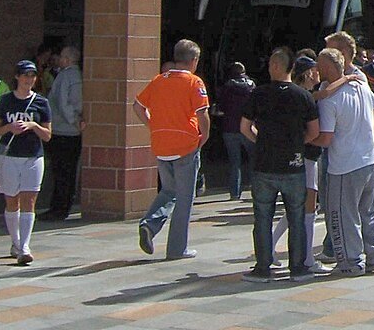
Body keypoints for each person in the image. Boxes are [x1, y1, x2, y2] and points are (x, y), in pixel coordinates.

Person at [239, 48, 320, 283]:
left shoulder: (258, 94)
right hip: (293, 165)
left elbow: (244, 127)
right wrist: (295, 143)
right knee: (297, 216)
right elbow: (314, 131)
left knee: (262, 217)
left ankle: (263, 268)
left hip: (264, 164)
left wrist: (260, 140)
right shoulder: (303, 96)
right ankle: (298, 268)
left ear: (272, 67)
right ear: (291, 68)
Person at [312, 47, 374, 275]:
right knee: (367, 210)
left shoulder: (330, 100)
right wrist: (367, 137)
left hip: (345, 164)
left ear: (326, 68)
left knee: (342, 215)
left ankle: (350, 262)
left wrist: (305, 140)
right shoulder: (361, 85)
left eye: (318, 65)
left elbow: (325, 138)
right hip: (369, 158)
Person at [134, 39, 209, 260]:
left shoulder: (159, 80)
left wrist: (152, 126)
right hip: (185, 145)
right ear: (194, 60)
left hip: (161, 145)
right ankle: (177, 249)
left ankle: (149, 224)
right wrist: (204, 137)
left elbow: (137, 106)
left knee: (168, 191)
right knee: (185, 198)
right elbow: (202, 113)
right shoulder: (194, 82)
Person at [271, 55, 331, 276]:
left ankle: (271, 244)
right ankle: (306, 257)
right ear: (306, 73)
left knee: (297, 207)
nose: (318, 74)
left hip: (304, 156)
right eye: (314, 71)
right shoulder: (306, 97)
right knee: (308, 207)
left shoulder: (302, 95)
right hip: (306, 157)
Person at [0, 60, 51, 264]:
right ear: (17, 77)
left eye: (32, 76)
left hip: (33, 156)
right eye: (25, 75)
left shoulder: (41, 102)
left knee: (30, 199)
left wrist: (33, 125)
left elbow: (47, 135)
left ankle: (25, 246)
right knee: (12, 200)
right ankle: (15, 243)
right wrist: (10, 127)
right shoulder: (5, 101)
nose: (29, 79)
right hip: (10, 156)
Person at [42, 45, 81, 221]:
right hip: (62, 131)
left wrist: (75, 121)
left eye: (62, 56)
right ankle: (58, 206)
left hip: (66, 132)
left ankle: (60, 208)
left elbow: (67, 103)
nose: (59, 59)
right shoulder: (66, 75)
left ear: (68, 59)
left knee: (64, 172)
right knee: (62, 172)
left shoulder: (70, 76)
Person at [218, 62, 256, 201]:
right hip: (247, 127)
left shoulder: (228, 86)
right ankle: (255, 187)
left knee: (234, 162)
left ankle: (235, 193)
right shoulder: (251, 85)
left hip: (229, 127)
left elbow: (222, 106)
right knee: (254, 158)